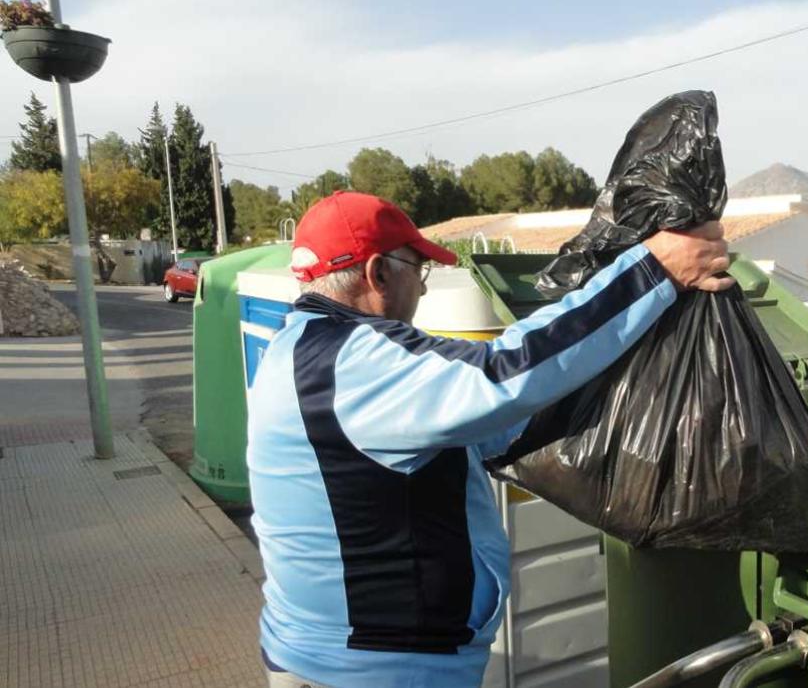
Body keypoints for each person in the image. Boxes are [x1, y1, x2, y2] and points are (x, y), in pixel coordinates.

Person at [247, 191, 733, 688]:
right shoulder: (354, 363)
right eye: (420, 270)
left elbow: (484, 428)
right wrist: (654, 271)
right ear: (379, 273)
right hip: (377, 673)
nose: (423, 289)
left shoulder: (297, 347)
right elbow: (504, 372)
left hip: (330, 659)